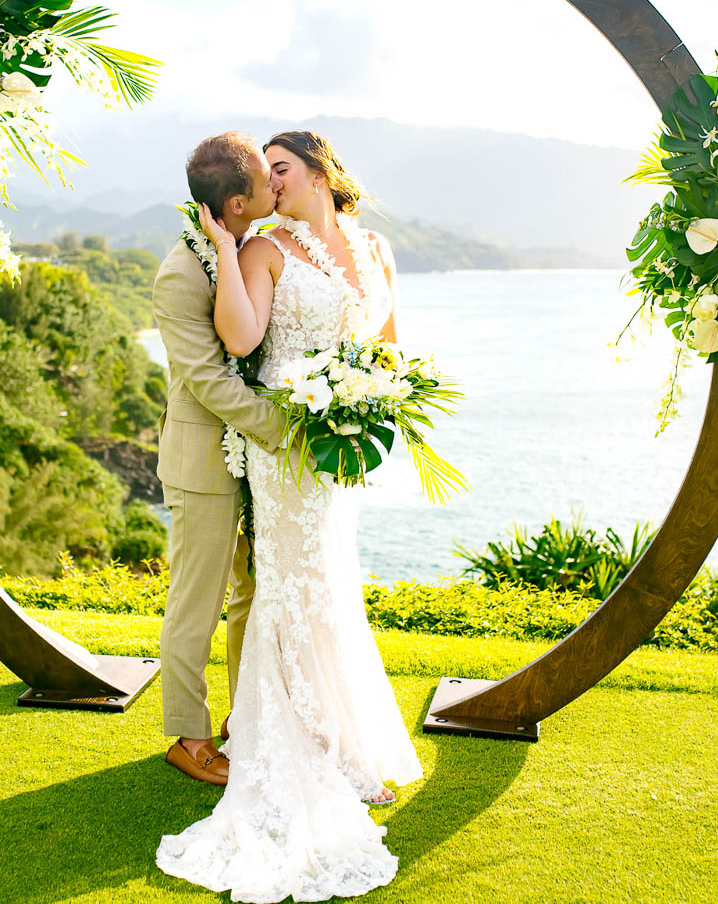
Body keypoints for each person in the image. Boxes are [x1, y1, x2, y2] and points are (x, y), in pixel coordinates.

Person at [156, 131, 423, 902]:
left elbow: (388, 348)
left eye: (283, 168)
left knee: (328, 585)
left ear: (320, 173)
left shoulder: (374, 246)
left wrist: (370, 407)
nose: (273, 182)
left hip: (332, 446)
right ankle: (233, 739)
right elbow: (237, 342)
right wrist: (299, 423)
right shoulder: (260, 249)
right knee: (270, 586)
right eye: (264, 172)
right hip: (279, 444)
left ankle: (337, 742)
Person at [152, 131, 288, 787]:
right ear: (237, 203)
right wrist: (284, 432)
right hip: (203, 464)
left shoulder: (240, 249)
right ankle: (188, 736)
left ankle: (245, 718)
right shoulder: (181, 272)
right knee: (196, 606)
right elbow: (207, 381)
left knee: (250, 598)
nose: (276, 185)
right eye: (267, 179)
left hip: (250, 464)